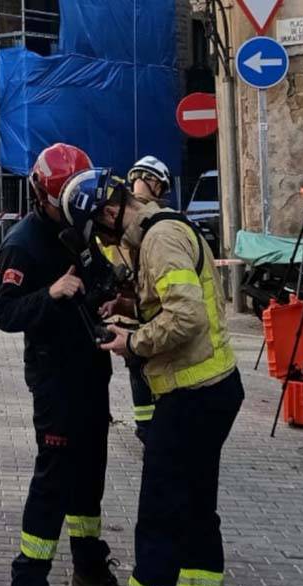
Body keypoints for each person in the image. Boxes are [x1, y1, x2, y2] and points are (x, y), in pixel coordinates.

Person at [59, 167, 244, 586]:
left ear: (110, 212)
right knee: (198, 517)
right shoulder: (163, 230)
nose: (104, 243)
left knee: (160, 521)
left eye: (99, 231)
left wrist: (132, 343)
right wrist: (129, 309)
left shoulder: (159, 240)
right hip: (211, 390)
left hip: (190, 399)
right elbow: (173, 305)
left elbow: (186, 319)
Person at [0, 144, 124, 586]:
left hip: (90, 370)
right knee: (54, 481)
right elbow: (4, 313)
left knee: (89, 477)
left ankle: (89, 573)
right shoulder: (23, 244)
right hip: (55, 378)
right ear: (42, 197)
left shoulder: (78, 229)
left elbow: (96, 276)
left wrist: (109, 296)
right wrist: (49, 294)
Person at [123, 156, 174, 444]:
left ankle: (145, 427)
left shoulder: (123, 213)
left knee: (138, 372)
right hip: (148, 310)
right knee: (150, 372)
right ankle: (151, 429)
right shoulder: (154, 219)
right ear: (154, 182)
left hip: (133, 310)